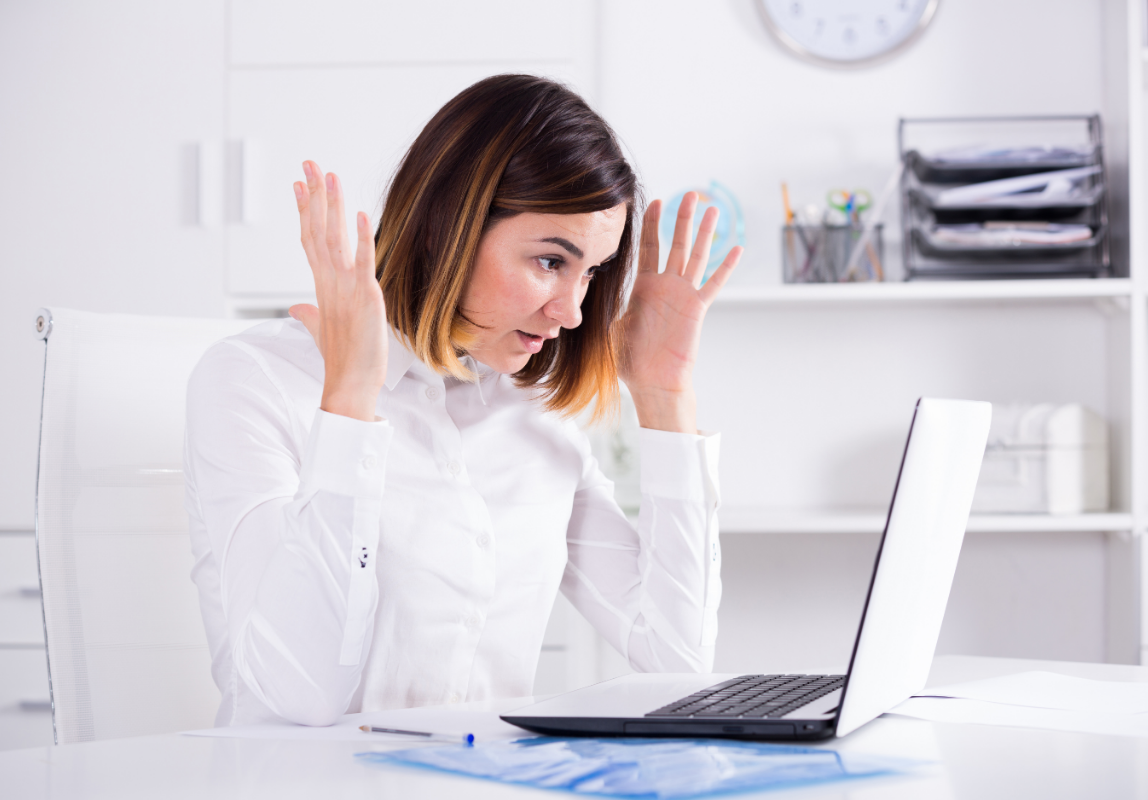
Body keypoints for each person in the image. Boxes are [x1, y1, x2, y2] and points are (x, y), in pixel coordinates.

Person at [184, 74, 743, 728]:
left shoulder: (535, 416)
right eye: (550, 262)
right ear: (444, 227)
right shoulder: (257, 380)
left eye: (591, 272)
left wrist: (664, 397)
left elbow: (677, 658)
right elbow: (300, 696)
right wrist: (350, 404)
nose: (571, 312)